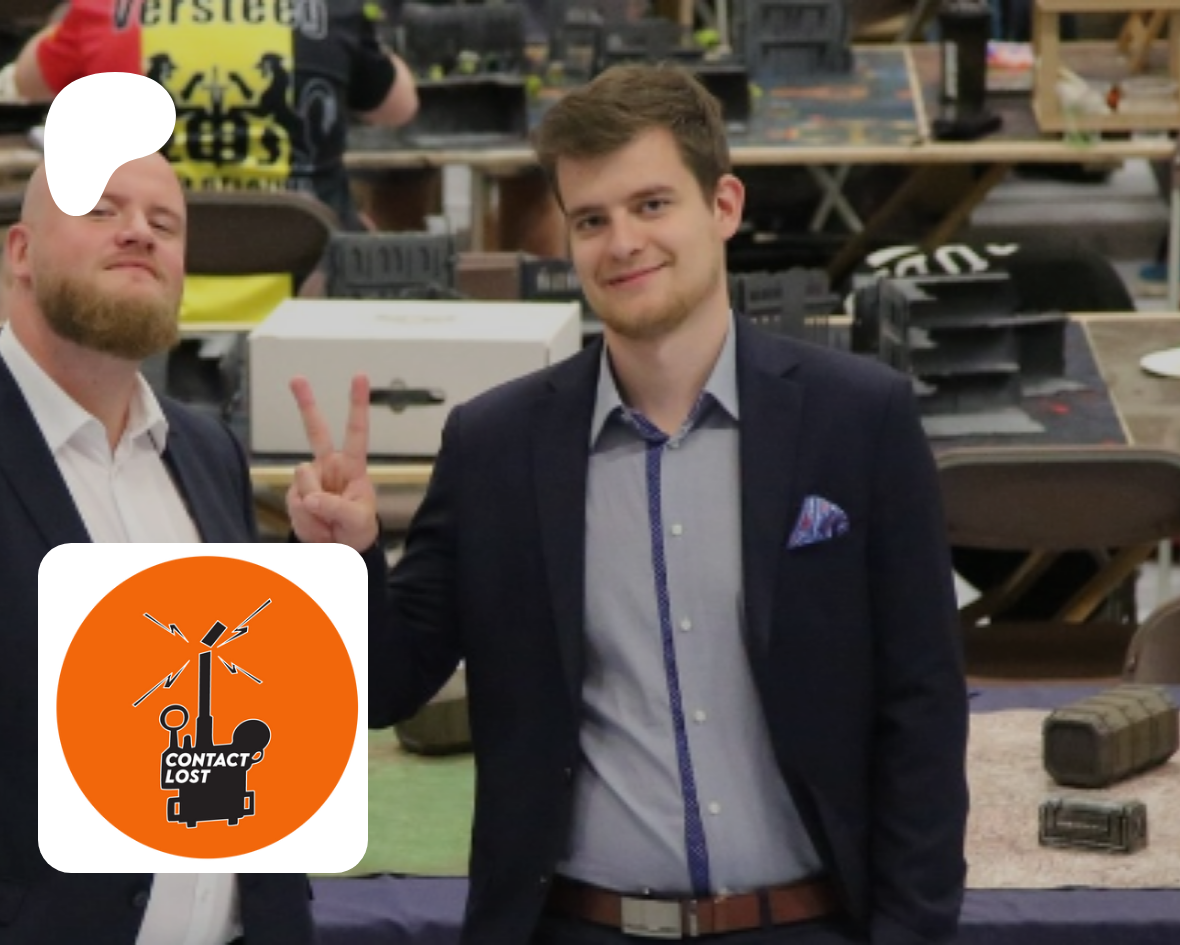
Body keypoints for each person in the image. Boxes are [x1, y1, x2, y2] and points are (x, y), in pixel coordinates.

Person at [286, 64, 970, 945]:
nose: (623, 243)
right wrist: (345, 558)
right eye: (591, 220)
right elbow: (389, 686)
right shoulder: (494, 448)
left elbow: (924, 704)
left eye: (652, 205)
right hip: (577, 925)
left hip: (805, 920)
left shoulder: (860, 420)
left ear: (723, 205)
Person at [0, 154, 312, 943]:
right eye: (101, 211)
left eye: (165, 224)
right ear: (20, 251)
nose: (139, 234)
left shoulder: (208, 453)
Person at [9, 0, 418, 232]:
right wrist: (362, 43)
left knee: (29, 247)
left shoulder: (107, 9)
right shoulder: (327, 10)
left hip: (145, 255)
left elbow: (27, 82)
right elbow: (400, 107)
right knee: (364, 233)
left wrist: (67, 19)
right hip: (302, 263)